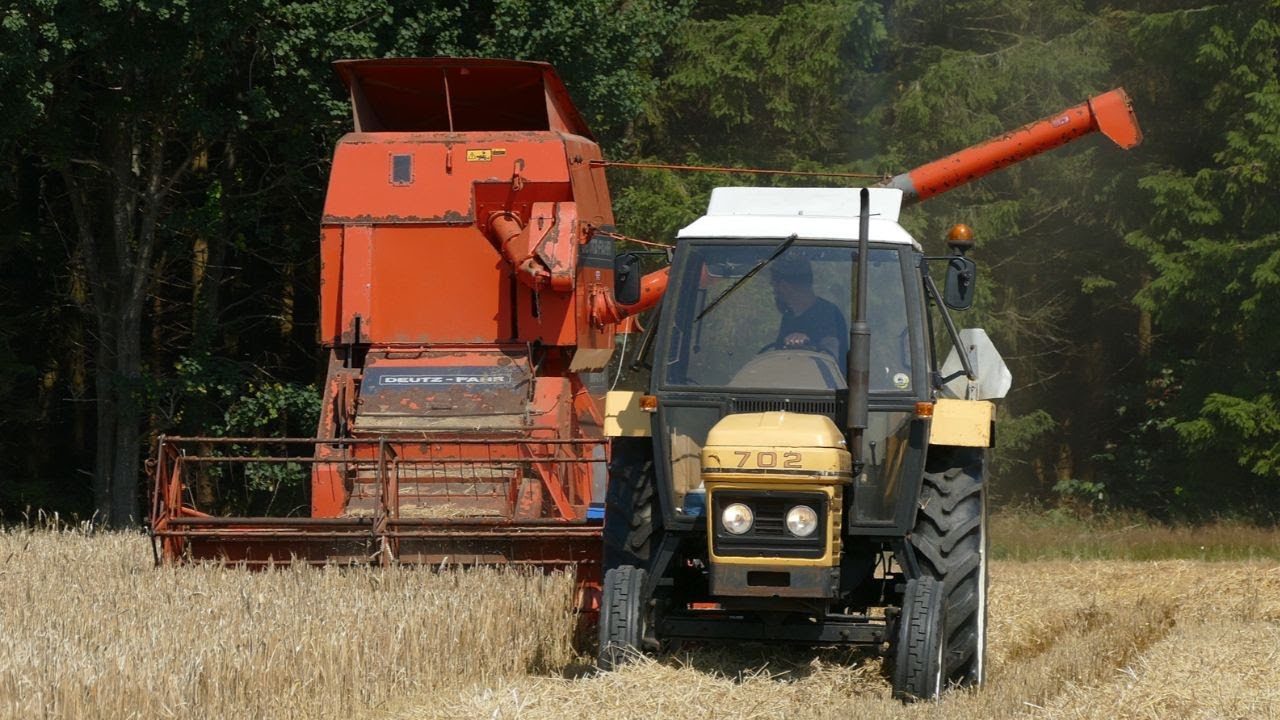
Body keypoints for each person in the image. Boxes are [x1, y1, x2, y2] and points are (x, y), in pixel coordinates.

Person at [768, 256, 848, 360]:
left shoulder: (829, 314)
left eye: (775, 286)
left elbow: (832, 354)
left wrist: (806, 343)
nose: (774, 292)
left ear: (785, 287)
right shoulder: (789, 316)